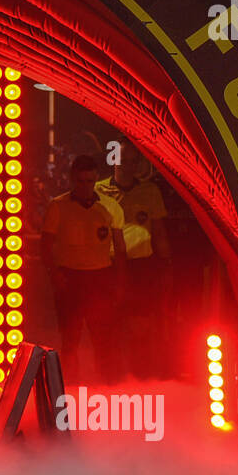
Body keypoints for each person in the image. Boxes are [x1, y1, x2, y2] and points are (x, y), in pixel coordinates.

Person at [41, 154, 126, 383]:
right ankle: (70, 386)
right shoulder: (58, 206)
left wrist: (119, 283)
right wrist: (55, 275)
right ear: (72, 179)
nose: (85, 187)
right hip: (70, 279)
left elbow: (120, 249)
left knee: (103, 339)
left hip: (100, 278)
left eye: (90, 181)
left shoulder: (109, 207)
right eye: (80, 181)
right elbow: (45, 247)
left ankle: (108, 386)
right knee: (70, 339)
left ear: (96, 178)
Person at [95, 142, 168, 379]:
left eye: (133, 161)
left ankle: (142, 377)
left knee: (141, 326)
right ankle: (109, 379)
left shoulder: (150, 192)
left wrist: (167, 266)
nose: (128, 166)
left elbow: (159, 232)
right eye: (123, 160)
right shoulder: (98, 191)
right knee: (108, 326)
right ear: (113, 160)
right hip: (107, 267)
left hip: (140, 268)